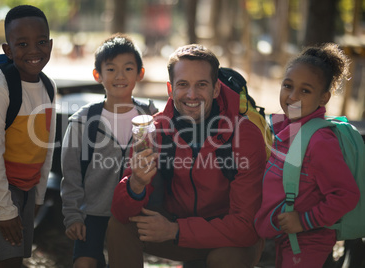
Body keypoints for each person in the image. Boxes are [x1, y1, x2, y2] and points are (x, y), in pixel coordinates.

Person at [107, 44, 267, 268]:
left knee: (226, 260)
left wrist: (175, 231)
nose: (192, 95)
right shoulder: (155, 130)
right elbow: (120, 211)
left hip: (228, 238)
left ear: (216, 89)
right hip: (175, 227)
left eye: (201, 85)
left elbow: (245, 227)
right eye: (183, 84)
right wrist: (135, 184)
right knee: (120, 225)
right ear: (171, 90)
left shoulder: (246, 135)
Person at [254, 43, 360, 267]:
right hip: (289, 237)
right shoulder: (289, 128)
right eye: (288, 86)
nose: (293, 97)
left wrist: (303, 221)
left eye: (305, 90)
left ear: (324, 98)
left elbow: (346, 195)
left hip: (308, 240)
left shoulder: (319, 141)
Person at [0, 5, 56, 268]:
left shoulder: (48, 86)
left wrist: (39, 195)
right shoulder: (0, 88)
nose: (33, 50)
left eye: (41, 42)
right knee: (9, 261)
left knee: (18, 257)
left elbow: (46, 146)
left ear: (50, 45)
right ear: (8, 50)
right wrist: (4, 208)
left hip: (28, 187)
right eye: (22, 44)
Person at [60, 33, 158, 268]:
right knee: (84, 263)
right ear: (98, 75)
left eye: (128, 68)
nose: (120, 76)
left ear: (140, 73)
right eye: (111, 69)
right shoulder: (83, 121)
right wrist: (73, 215)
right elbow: (70, 174)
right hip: (92, 212)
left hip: (135, 210)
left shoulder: (150, 116)